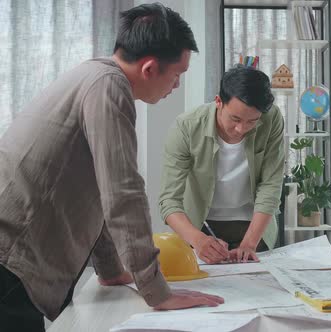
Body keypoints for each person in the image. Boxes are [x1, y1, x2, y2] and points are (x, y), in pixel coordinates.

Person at [0, 3, 225, 331]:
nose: (176, 86)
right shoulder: (109, 87)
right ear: (149, 68)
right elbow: (123, 192)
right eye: (177, 75)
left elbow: (100, 191)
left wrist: (112, 270)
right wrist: (156, 291)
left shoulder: (94, 75)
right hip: (9, 258)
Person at [159, 65, 285, 264]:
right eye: (235, 118)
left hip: (254, 227)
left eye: (252, 121)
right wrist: (197, 240)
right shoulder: (187, 126)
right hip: (200, 225)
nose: (241, 129)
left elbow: (271, 184)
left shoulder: (272, 119)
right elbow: (168, 200)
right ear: (218, 101)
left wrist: (250, 243)